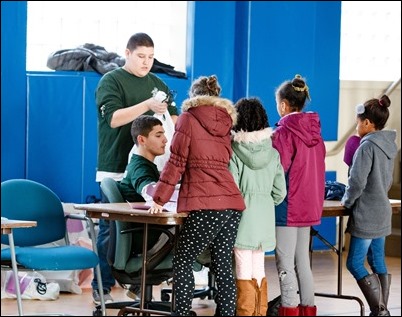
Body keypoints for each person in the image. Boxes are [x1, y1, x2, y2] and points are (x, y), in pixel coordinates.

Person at [148, 75, 246, 316]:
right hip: (231, 202)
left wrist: (159, 199)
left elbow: (177, 161)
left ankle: (180, 313)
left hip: (207, 204)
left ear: (194, 96)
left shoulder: (188, 118)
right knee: (223, 264)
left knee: (182, 260)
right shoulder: (225, 121)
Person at [93, 32, 178, 305]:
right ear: (127, 53)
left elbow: (174, 119)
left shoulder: (158, 82)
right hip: (116, 168)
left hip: (148, 167)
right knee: (111, 230)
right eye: (141, 56)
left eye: (151, 57)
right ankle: (102, 286)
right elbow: (115, 119)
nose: (146, 62)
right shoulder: (112, 80)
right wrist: (147, 106)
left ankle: (140, 282)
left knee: (147, 227)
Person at [271, 74, 326, 316]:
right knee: (302, 261)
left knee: (284, 263)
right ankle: (308, 310)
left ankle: (289, 309)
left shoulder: (284, 133)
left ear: (283, 105)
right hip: (310, 207)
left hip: (287, 206)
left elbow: (277, 170)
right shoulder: (317, 134)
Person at [228, 97, 286, 316]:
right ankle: (259, 313)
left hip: (241, 220)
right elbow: (280, 193)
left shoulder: (233, 152)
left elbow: (231, 188)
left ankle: (244, 312)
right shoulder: (273, 153)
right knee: (259, 268)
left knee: (242, 269)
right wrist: (263, 203)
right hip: (264, 220)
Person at [341, 95, 397, 316]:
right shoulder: (388, 146)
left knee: (354, 263)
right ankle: (382, 311)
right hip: (382, 211)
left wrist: (347, 201)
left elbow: (357, 182)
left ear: (367, 123)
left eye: (357, 122)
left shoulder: (366, 147)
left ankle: (379, 310)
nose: (356, 127)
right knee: (377, 261)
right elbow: (388, 181)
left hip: (366, 213)